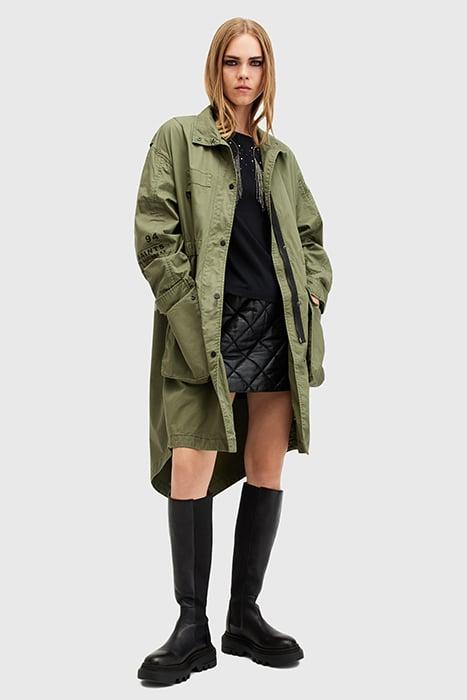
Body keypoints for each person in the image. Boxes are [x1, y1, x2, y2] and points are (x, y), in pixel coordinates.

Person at [134, 17, 333, 685]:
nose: (243, 74)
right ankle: (190, 627)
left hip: (275, 325)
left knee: (265, 467)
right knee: (190, 465)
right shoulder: (178, 138)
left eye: (254, 63)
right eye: (231, 62)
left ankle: (243, 616)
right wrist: (188, 314)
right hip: (206, 327)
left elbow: (311, 237)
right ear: (214, 68)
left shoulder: (280, 159)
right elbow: (155, 237)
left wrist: (312, 293)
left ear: (266, 72)